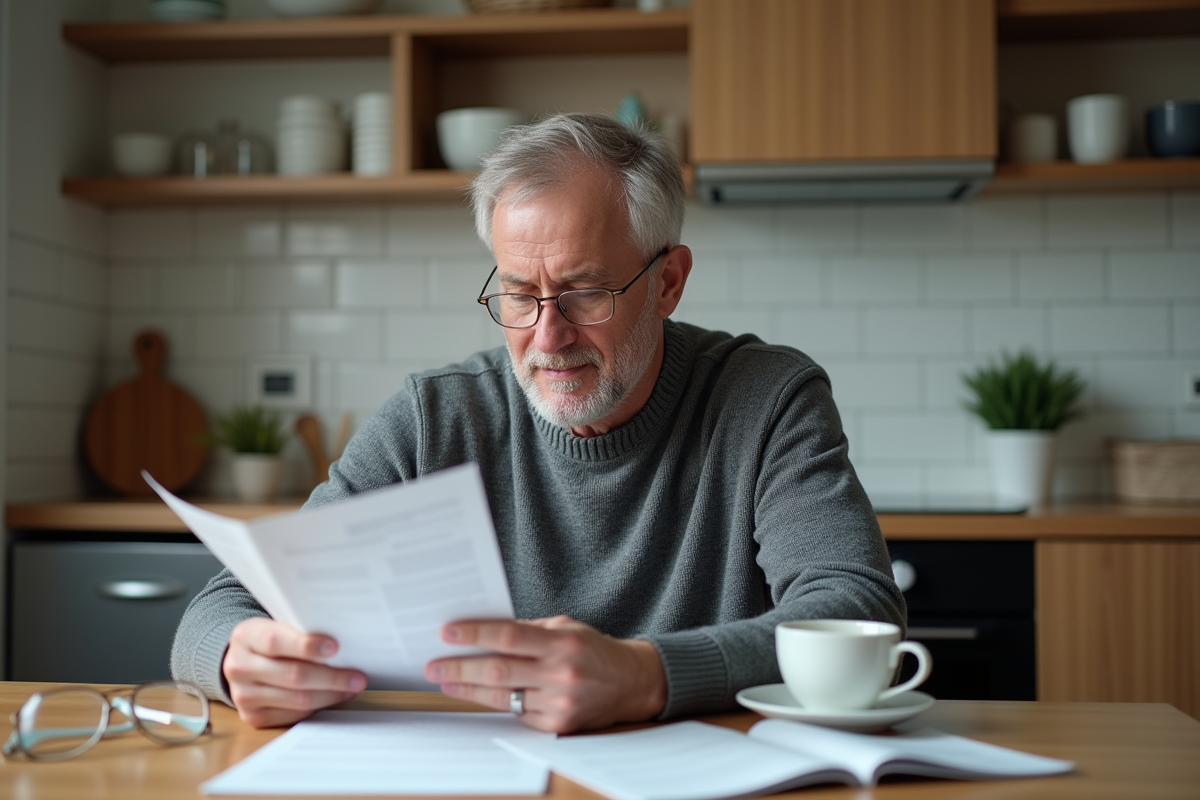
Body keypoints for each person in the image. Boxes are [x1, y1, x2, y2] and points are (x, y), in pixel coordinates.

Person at [171, 112, 905, 734]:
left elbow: (856, 608)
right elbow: (221, 606)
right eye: (520, 295)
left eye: (586, 293)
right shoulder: (437, 418)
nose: (547, 338)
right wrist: (239, 660)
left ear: (668, 282)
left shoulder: (766, 398)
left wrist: (648, 675)